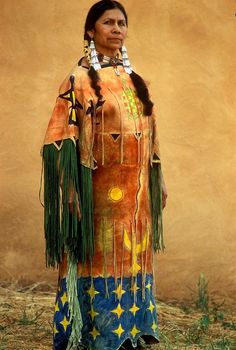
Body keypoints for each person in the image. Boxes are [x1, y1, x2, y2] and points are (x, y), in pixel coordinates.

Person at [42, 1, 167, 349]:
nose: (116, 29)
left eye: (121, 23)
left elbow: (150, 132)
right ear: (90, 31)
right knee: (98, 259)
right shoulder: (79, 79)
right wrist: (70, 188)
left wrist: (159, 178)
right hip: (98, 192)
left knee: (134, 256)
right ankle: (94, 334)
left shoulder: (133, 78)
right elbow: (61, 137)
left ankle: (130, 330)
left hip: (137, 196)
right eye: (108, 23)